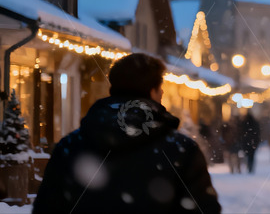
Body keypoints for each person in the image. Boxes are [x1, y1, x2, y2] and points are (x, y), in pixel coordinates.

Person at [33, 53, 221, 214]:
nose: (162, 93)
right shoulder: (181, 150)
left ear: (112, 89)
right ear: (153, 92)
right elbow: (203, 208)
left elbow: (47, 208)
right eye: (160, 88)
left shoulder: (70, 146)